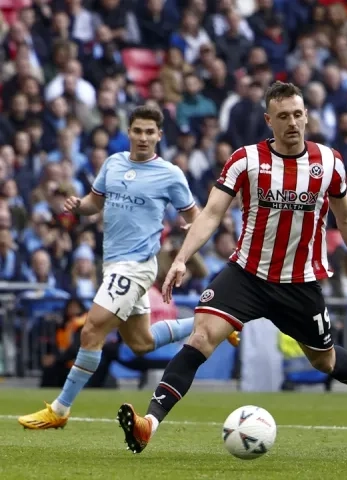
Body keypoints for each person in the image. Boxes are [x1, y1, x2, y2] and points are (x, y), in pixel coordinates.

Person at [116, 82, 347, 454]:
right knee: (200, 337)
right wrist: (181, 257)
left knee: (323, 360)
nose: (292, 122)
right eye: (283, 116)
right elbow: (212, 212)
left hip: (299, 282)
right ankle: (150, 423)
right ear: (268, 121)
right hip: (246, 275)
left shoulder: (328, 162)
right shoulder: (246, 160)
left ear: (306, 115)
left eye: (297, 114)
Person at [18, 105, 220, 430]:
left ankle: (60, 409)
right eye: (137, 131)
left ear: (159, 135)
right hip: (112, 263)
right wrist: (76, 207)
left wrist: (183, 255)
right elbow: (93, 204)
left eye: (149, 132)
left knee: (91, 330)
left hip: (136, 266)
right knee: (140, 342)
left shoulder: (170, 174)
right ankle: (211, 322)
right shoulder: (113, 164)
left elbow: (198, 218)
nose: (143, 137)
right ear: (129, 133)